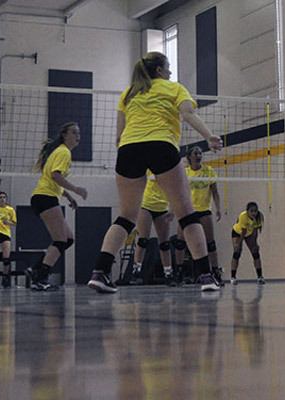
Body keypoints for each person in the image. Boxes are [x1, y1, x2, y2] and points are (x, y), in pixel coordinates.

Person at [87, 51, 223, 293]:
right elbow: (188, 113)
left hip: (129, 149)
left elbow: (119, 136)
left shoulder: (129, 93)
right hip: (161, 144)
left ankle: (100, 271)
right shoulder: (174, 88)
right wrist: (208, 136)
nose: (170, 72)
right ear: (159, 70)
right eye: (168, 67)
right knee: (187, 214)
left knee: (126, 216)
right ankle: (206, 277)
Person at [27, 122, 88, 291]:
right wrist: (76, 190)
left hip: (45, 197)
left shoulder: (59, 151)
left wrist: (68, 197)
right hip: (45, 197)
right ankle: (40, 277)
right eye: (74, 132)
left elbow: (53, 179)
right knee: (61, 239)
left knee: (68, 239)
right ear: (64, 135)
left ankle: (37, 269)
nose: (78, 136)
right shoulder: (63, 151)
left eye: (79, 133)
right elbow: (55, 176)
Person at [173, 146, 222, 283]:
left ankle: (215, 271)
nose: (199, 155)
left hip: (204, 210)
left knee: (210, 243)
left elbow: (215, 192)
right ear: (189, 156)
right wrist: (174, 209)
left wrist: (218, 208)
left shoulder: (208, 171)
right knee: (180, 243)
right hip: (188, 211)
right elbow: (179, 193)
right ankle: (179, 272)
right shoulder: (185, 172)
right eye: (195, 153)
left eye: (200, 153)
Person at [130, 171, 175, 286]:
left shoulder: (168, 168)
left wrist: (173, 208)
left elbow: (175, 188)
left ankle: (168, 273)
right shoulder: (147, 167)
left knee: (164, 243)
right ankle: (136, 272)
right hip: (146, 205)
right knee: (143, 240)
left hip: (162, 207)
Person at [230, 202, 264, 284]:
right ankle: (233, 277)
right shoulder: (243, 216)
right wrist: (238, 244)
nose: (253, 213)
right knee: (237, 252)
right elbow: (243, 232)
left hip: (249, 233)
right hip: (238, 233)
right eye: (251, 211)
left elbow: (255, 231)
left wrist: (255, 243)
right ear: (247, 211)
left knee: (255, 253)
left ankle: (260, 277)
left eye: (255, 211)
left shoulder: (258, 217)